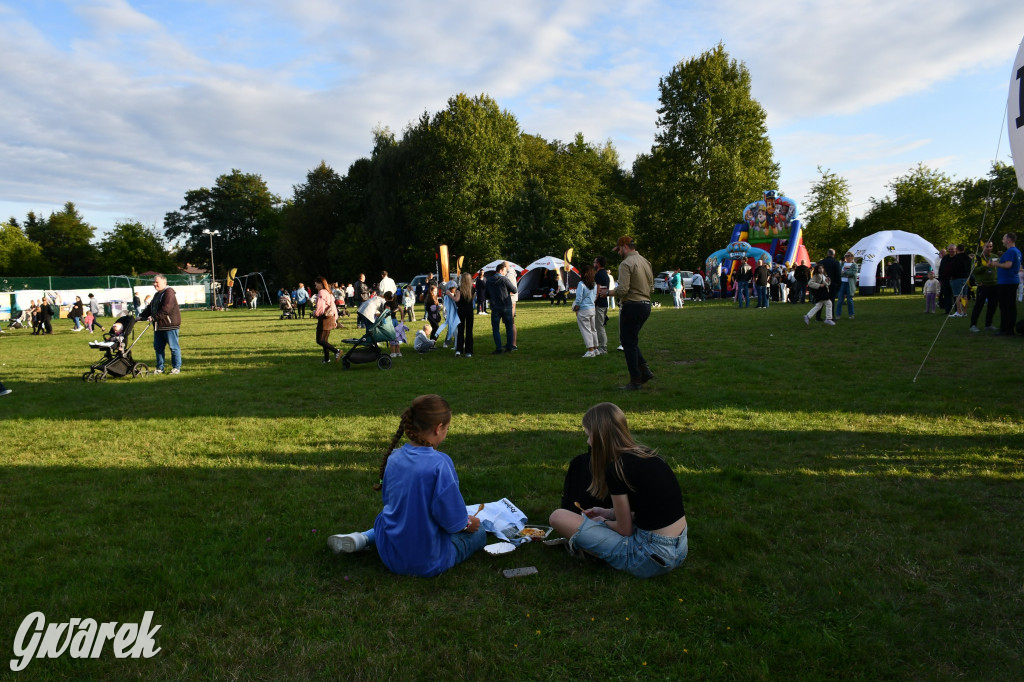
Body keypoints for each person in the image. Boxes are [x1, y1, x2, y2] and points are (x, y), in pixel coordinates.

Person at [327, 395, 487, 577]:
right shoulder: (440, 464)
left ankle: (363, 537)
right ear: (438, 428)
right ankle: (364, 538)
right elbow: (452, 522)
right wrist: (468, 524)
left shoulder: (394, 457)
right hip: (427, 562)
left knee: (399, 517)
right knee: (479, 532)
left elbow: (392, 504)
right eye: (447, 428)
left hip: (390, 555)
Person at [548, 402, 687, 579]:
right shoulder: (649, 456)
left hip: (648, 557)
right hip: (679, 549)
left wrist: (602, 522)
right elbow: (652, 512)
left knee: (558, 517)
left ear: (599, 436)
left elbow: (624, 530)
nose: (588, 442)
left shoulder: (617, 469)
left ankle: (588, 549)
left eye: (588, 436)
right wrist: (608, 512)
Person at [603, 236, 653, 390]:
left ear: (624, 246)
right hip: (646, 305)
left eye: (618, 249)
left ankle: (636, 380)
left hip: (632, 306)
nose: (618, 253)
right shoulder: (646, 261)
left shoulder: (626, 264)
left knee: (627, 343)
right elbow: (651, 287)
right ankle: (644, 371)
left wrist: (607, 292)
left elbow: (623, 290)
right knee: (630, 341)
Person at [139, 274, 182, 373]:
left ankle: (176, 368)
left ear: (164, 282)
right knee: (158, 348)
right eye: (154, 282)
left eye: (156, 282)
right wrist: (140, 316)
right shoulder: (157, 294)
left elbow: (166, 309)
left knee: (173, 347)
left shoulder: (169, 292)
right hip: (158, 326)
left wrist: (154, 317)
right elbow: (150, 308)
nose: (154, 284)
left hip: (169, 326)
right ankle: (159, 368)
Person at [992, 232, 1021, 336]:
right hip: (1012, 281)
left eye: (1004, 239)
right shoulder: (1017, 251)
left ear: (1008, 240)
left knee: (1005, 306)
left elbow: (1008, 265)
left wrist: (996, 264)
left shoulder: (1010, 251)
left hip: (1007, 282)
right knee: (1011, 306)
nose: (1002, 241)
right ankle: (1009, 329)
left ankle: (1005, 329)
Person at [485, 262, 517, 354]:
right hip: (506, 306)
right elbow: (514, 290)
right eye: (505, 271)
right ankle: (509, 347)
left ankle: (499, 348)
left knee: (496, 329)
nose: (506, 273)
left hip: (495, 307)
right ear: (500, 270)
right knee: (509, 327)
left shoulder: (489, 280)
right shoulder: (504, 279)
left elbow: (486, 295)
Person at [970, 241, 999, 332]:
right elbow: (974, 270)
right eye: (987, 246)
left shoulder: (995, 256)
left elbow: (998, 269)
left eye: (990, 246)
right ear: (983, 247)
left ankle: (988, 324)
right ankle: (973, 325)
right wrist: (985, 266)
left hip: (994, 285)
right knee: (979, 305)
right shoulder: (977, 257)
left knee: (992, 306)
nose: (989, 248)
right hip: (983, 285)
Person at [312, 277, 340, 364]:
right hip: (331, 317)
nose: (315, 287)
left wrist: (315, 313)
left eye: (316, 284)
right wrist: (335, 318)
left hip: (324, 318)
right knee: (324, 340)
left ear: (321, 284)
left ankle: (336, 351)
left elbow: (320, 307)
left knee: (319, 340)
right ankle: (327, 359)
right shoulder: (329, 292)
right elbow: (333, 306)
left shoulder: (321, 292)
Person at [573, 263, 599, 357]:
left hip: (583, 310)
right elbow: (595, 296)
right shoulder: (594, 284)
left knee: (586, 330)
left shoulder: (581, 284)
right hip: (592, 308)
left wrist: (576, 308)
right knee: (593, 329)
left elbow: (579, 298)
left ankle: (590, 350)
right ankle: (595, 349)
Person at [593, 256, 612, 355]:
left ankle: (603, 348)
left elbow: (598, 290)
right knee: (600, 325)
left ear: (598, 264)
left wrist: (593, 301)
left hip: (599, 304)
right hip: (604, 303)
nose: (593, 264)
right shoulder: (605, 274)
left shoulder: (598, 275)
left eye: (595, 262)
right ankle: (598, 346)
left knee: (599, 326)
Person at [817, 249, 842, 321]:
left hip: (822, 284)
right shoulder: (836, 262)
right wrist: (839, 284)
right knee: (831, 301)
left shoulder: (821, 262)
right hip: (832, 284)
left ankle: (818, 316)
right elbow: (838, 274)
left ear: (827, 254)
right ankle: (830, 316)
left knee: (821, 301)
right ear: (834, 254)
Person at [454, 273, 475, 358]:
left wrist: (450, 295)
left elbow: (457, 299)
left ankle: (459, 350)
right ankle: (468, 351)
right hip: (469, 311)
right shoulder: (472, 289)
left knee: (460, 330)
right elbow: (473, 299)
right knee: (469, 331)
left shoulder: (459, 289)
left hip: (461, 311)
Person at [949, 245, 972, 318]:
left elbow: (952, 268)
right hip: (966, 278)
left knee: (958, 295)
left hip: (957, 278)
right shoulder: (968, 258)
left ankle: (958, 311)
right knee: (965, 296)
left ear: (957, 249)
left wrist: (951, 276)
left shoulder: (955, 258)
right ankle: (964, 312)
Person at [836, 252, 858, 320]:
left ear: (852, 257)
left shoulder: (854, 265)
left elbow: (852, 273)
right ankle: (838, 315)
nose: (846, 257)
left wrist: (844, 273)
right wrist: (846, 274)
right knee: (840, 300)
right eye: (845, 255)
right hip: (842, 283)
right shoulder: (842, 264)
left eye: (848, 255)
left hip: (849, 284)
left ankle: (851, 314)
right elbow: (839, 273)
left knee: (849, 300)